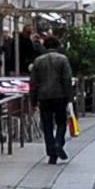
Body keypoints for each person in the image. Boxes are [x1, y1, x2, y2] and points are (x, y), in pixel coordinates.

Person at [29, 32, 76, 165]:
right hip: (60, 96)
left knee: (47, 125)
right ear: (58, 46)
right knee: (61, 122)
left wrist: (33, 101)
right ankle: (58, 142)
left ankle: (51, 154)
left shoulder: (38, 61)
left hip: (43, 97)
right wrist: (70, 98)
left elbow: (33, 83)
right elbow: (67, 79)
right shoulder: (63, 59)